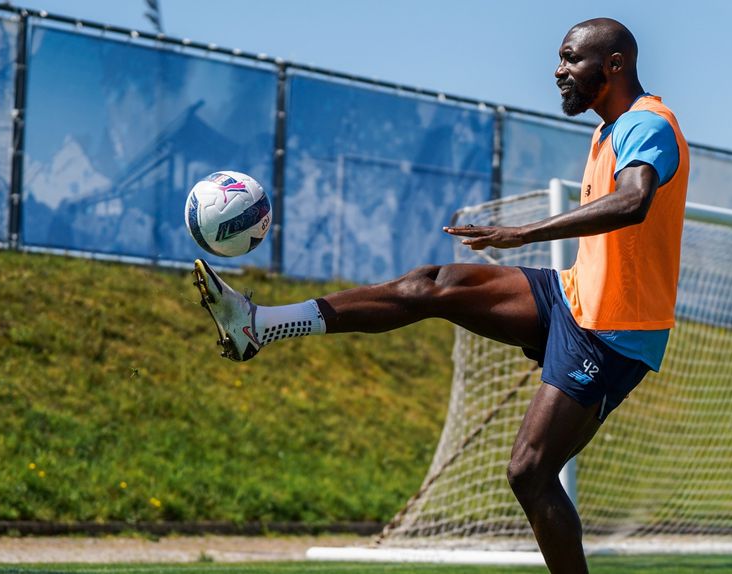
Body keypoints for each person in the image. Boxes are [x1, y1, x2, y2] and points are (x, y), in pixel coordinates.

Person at [191, 17, 688, 573]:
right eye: (560, 58)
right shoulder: (607, 132)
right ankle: (258, 325)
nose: (558, 70)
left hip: (613, 331)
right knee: (434, 285)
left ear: (614, 64)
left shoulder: (648, 123)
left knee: (529, 472)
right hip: (575, 297)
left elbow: (633, 201)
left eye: (571, 58)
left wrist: (523, 232)